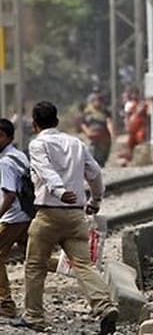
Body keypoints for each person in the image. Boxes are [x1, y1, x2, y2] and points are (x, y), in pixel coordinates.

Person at [12, 101, 118, 333]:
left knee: (35, 265)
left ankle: (34, 317)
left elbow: (44, 170)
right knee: (84, 266)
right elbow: (96, 173)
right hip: (76, 215)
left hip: (49, 214)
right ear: (57, 122)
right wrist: (95, 201)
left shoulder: (38, 144)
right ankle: (105, 306)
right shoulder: (75, 143)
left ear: (35, 124)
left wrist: (59, 191)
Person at [0, 119, 32, 318]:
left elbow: (9, 195)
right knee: (36, 258)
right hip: (27, 214)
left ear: (9, 137)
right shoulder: (19, 155)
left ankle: (5, 303)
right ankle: (74, 268)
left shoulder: (4, 162)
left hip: (12, 218)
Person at [81, 93, 114, 167]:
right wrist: (87, 132)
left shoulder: (105, 111)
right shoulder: (87, 112)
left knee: (102, 155)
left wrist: (112, 133)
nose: (98, 102)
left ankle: (100, 166)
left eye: (100, 100)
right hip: (92, 137)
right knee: (91, 154)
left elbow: (109, 122)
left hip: (103, 137)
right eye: (96, 100)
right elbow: (83, 124)